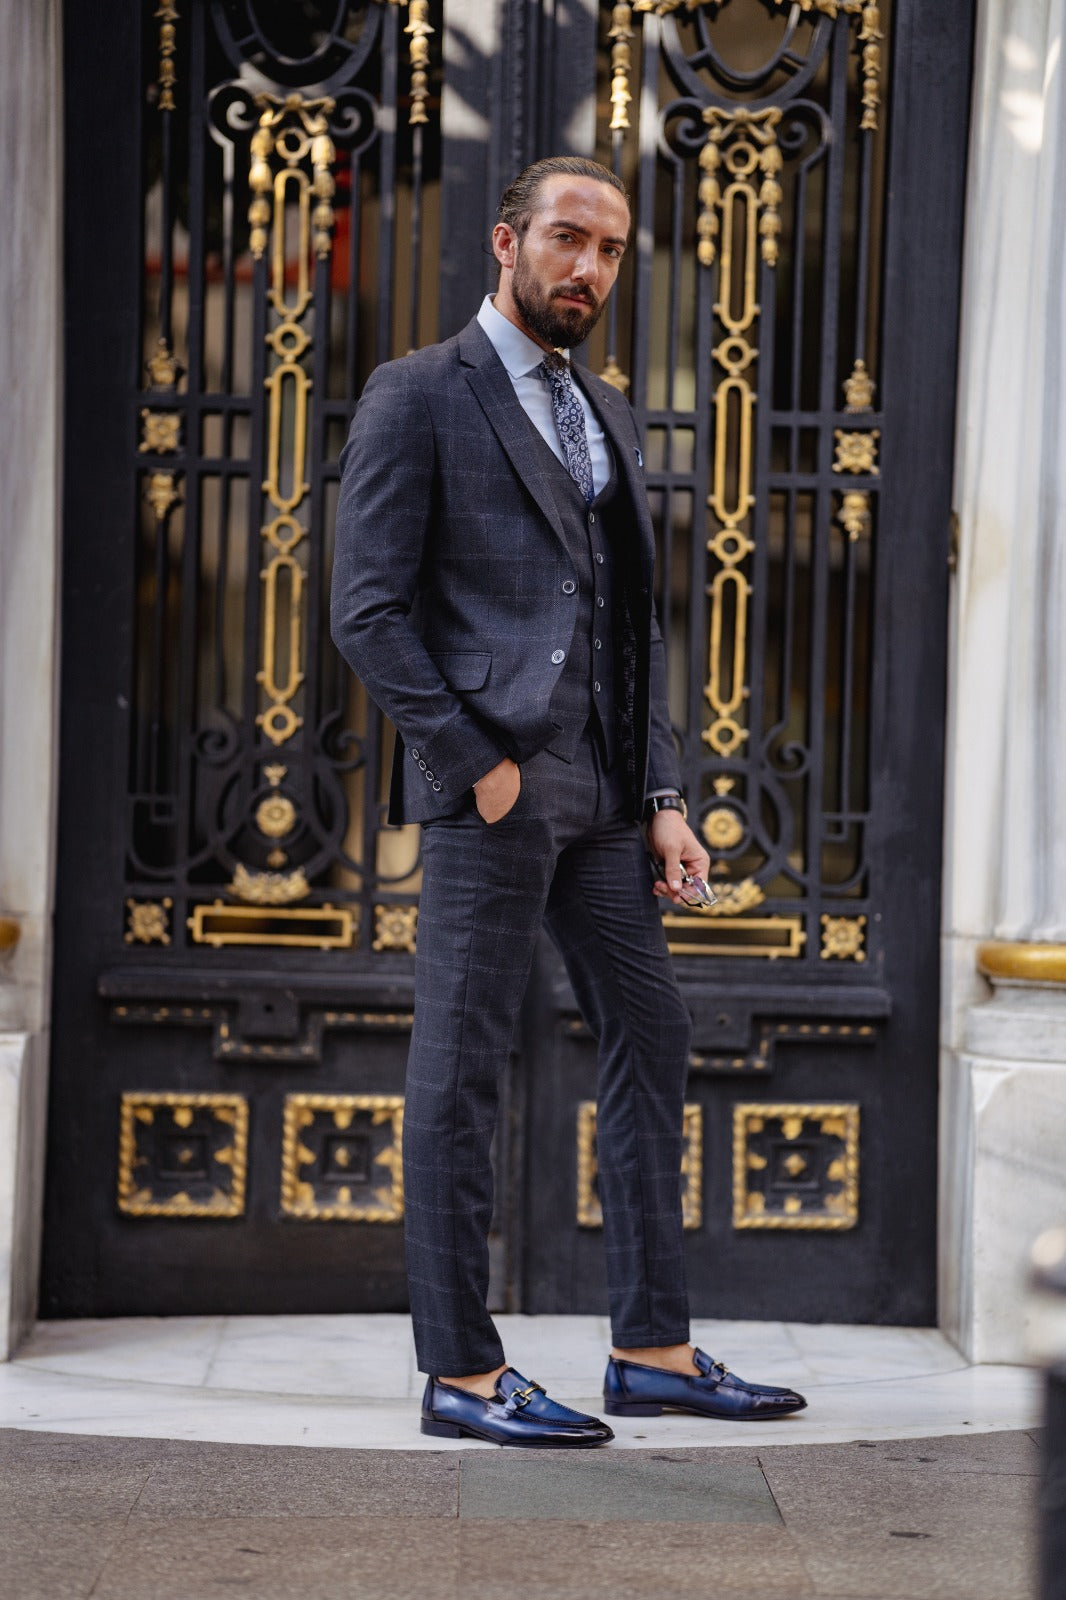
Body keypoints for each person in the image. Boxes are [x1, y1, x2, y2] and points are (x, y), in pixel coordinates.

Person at [331, 155, 807, 1447]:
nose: (587, 267)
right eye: (566, 239)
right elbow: (366, 612)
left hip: (602, 796)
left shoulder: (605, 410)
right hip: (493, 788)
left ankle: (650, 1348)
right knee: (462, 1072)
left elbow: (628, 632)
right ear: (507, 242)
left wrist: (660, 793)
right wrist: (473, 765)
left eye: (607, 250)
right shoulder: (419, 394)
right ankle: (462, 1375)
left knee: (649, 1038)